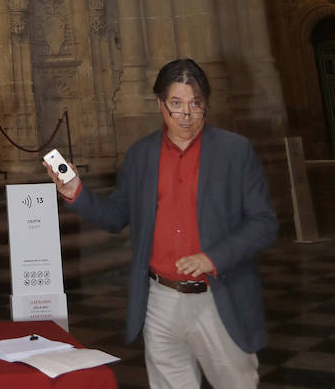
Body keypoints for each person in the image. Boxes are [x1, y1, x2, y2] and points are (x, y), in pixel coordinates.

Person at [44, 58, 277, 389]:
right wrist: (76, 192)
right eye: (176, 104)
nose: (186, 115)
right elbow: (115, 216)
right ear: (159, 104)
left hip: (219, 296)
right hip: (161, 300)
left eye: (195, 104)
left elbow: (264, 223)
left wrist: (214, 257)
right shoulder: (140, 156)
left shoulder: (234, 151)